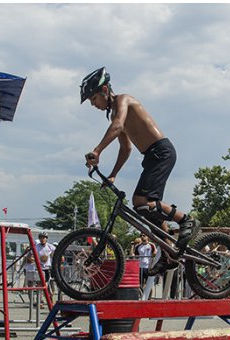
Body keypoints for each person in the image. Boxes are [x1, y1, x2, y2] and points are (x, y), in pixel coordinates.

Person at [80, 67, 200, 275]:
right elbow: (125, 148)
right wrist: (113, 174)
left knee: (140, 201)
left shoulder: (123, 101)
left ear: (105, 90)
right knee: (147, 212)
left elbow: (118, 126)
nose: (94, 105)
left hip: (161, 152)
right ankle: (169, 253)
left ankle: (186, 220)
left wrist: (97, 150)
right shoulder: (114, 115)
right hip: (151, 157)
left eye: (94, 100)